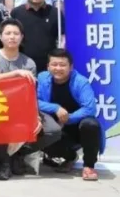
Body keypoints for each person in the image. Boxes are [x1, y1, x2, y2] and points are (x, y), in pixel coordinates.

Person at [0, 19, 38, 180]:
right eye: (8, 33)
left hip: (20, 107)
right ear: (0, 37)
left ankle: (17, 155)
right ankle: (3, 163)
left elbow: (31, 93)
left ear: (22, 37)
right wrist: (17, 73)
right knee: (1, 121)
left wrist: (36, 116)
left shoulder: (29, 62)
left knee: (51, 131)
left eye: (16, 33)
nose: (12, 37)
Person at [37, 49, 104, 182]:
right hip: (55, 127)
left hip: (78, 128)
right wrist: (55, 108)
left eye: (62, 65)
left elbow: (90, 108)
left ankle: (89, 166)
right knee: (40, 134)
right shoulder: (42, 78)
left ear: (71, 67)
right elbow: (34, 101)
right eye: (54, 64)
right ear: (48, 66)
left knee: (91, 124)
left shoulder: (81, 82)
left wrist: (68, 118)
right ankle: (70, 157)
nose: (58, 68)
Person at [12, 0, 64, 73]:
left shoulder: (55, 13)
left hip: (49, 67)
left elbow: (62, 38)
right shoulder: (16, 13)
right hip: (22, 66)